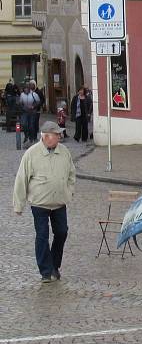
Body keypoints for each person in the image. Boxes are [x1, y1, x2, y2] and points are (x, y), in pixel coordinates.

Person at [13, 121, 75, 283]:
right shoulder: (32, 154)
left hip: (59, 203)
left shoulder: (64, 152)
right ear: (47, 137)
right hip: (39, 204)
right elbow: (21, 179)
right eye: (57, 134)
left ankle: (54, 265)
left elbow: (71, 174)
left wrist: (69, 191)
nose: (60, 136)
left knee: (62, 232)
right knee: (42, 236)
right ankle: (46, 271)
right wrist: (18, 205)